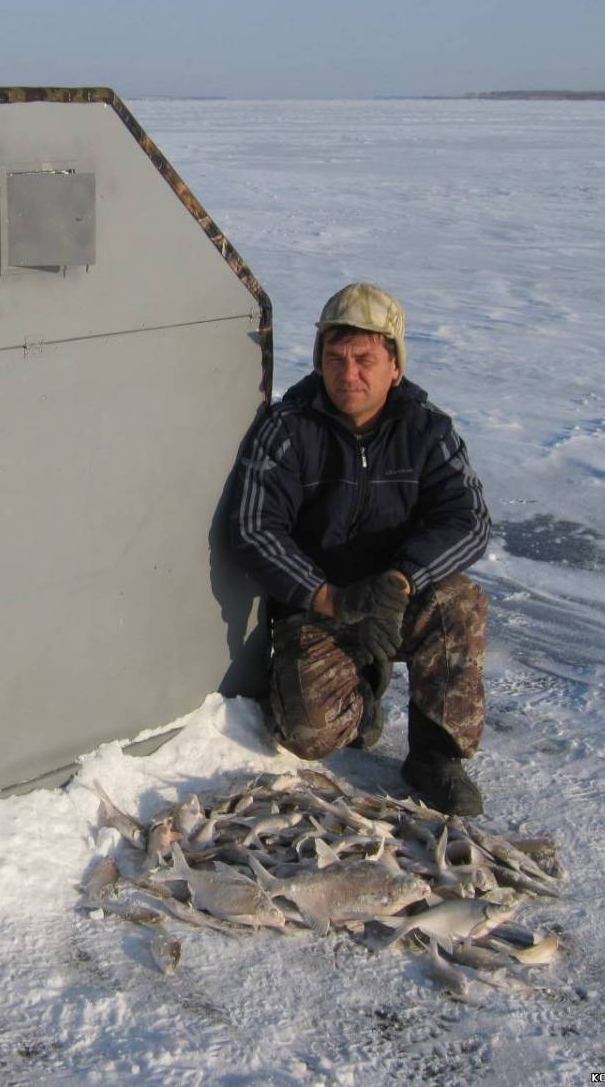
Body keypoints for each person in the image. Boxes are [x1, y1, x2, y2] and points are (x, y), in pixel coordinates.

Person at [228, 283, 491, 814]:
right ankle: (363, 691)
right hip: (320, 603)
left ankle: (437, 756)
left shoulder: (428, 430)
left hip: (398, 595)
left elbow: (469, 521)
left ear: (394, 364)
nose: (349, 374)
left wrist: (400, 581)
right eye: (336, 358)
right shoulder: (287, 429)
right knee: (309, 734)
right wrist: (327, 598)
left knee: (459, 602)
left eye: (365, 359)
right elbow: (254, 527)